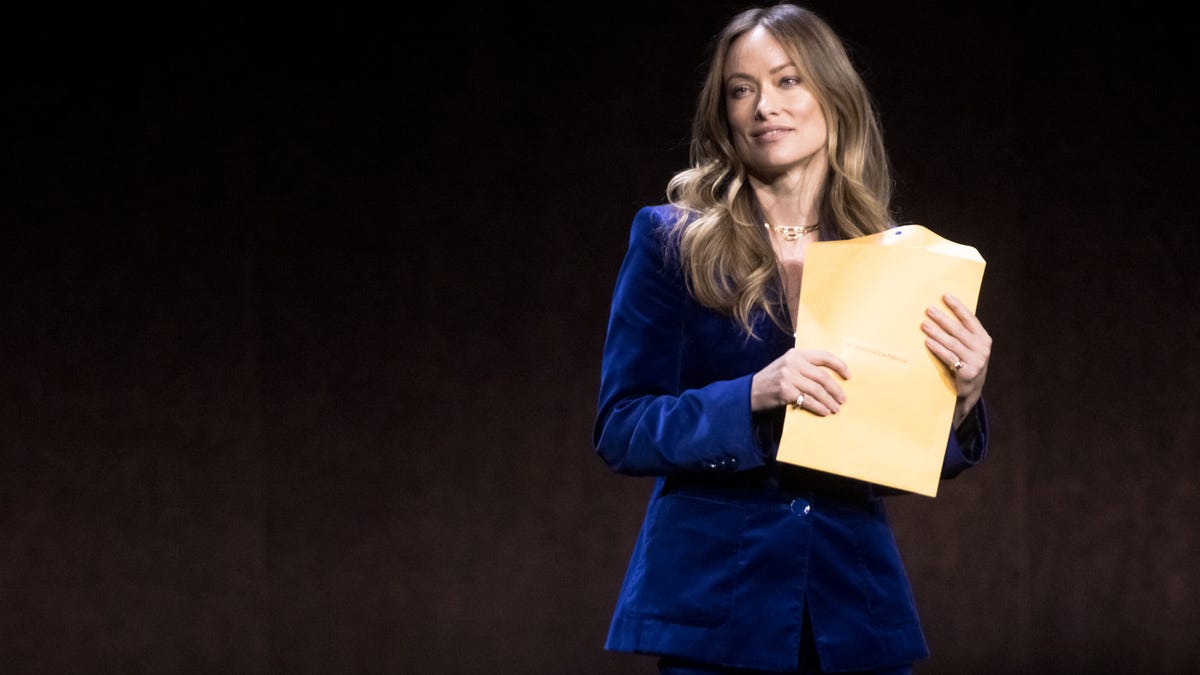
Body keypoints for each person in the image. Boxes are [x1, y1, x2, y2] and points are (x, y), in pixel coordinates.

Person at [591, 4, 992, 674]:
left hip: (853, 613)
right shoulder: (669, 240)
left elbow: (907, 452)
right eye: (741, 89)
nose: (762, 107)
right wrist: (754, 393)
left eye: (786, 81)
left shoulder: (891, 258)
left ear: (833, 95)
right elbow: (622, 426)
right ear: (723, 114)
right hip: (715, 613)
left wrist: (964, 396)